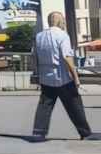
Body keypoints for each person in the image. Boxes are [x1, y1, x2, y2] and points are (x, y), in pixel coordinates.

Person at [31, 12, 94, 140]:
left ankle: (38, 132)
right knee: (74, 104)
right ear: (60, 21)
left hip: (46, 77)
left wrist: (36, 73)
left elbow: (34, 57)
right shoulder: (62, 35)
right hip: (62, 77)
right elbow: (67, 57)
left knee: (45, 105)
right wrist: (76, 77)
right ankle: (85, 133)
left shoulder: (39, 36)